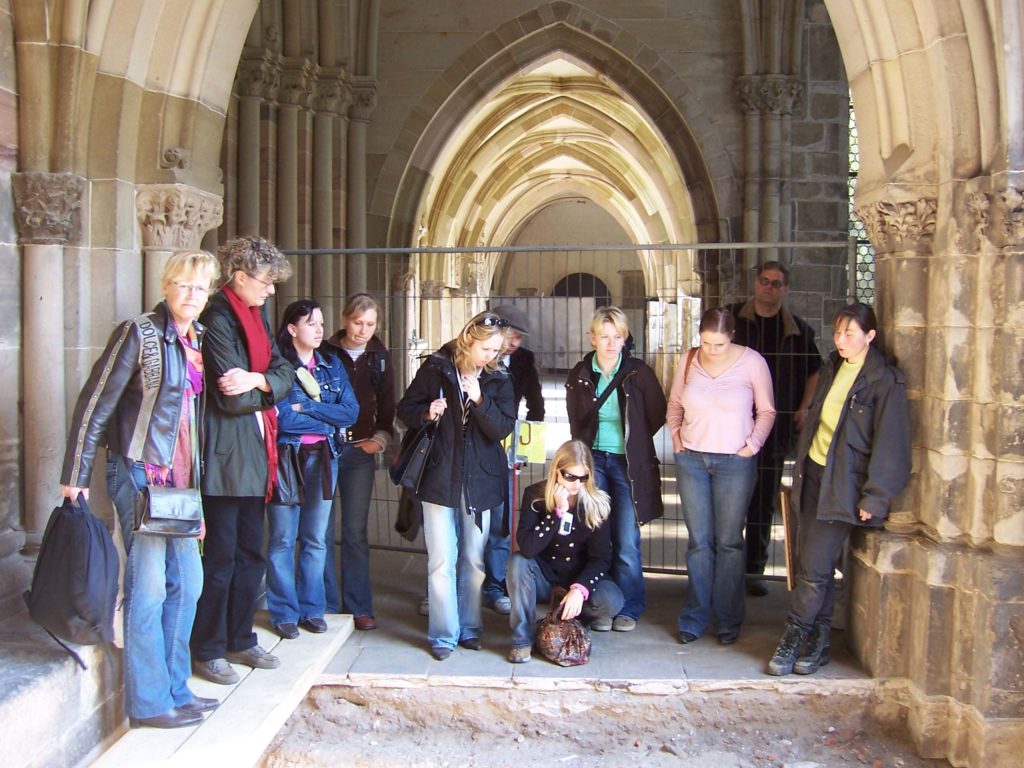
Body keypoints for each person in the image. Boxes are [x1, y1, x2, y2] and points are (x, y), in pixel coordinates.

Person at [60, 250, 221, 728]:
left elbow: (191, 424)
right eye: (184, 285)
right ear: (167, 285)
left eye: (200, 288)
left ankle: (175, 687)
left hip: (182, 484)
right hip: (139, 474)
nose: (192, 295)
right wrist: (75, 475)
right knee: (149, 588)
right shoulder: (139, 333)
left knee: (188, 585)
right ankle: (150, 702)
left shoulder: (198, 340)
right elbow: (95, 403)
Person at [767, 302, 910, 676]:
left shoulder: (883, 380)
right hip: (813, 474)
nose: (841, 339)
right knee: (816, 565)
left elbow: (891, 443)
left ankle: (793, 636)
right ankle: (819, 643)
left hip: (844, 484)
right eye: (837, 332)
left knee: (813, 567)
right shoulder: (833, 367)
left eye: (849, 333)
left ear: (870, 336)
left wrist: (876, 495)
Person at [190, 236, 295, 685]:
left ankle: (240, 635)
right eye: (267, 282)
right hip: (226, 454)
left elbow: (286, 371)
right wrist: (266, 385)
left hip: (254, 453)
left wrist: (257, 378)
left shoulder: (255, 314)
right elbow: (229, 400)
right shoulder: (218, 316)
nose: (271, 290)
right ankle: (208, 648)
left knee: (251, 553)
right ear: (239, 276)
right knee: (221, 559)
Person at [395, 311, 516, 660]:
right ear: (468, 339)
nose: (491, 356)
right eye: (486, 348)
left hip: (481, 480)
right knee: (441, 559)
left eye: (496, 350)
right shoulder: (436, 368)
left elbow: (502, 429)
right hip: (438, 475)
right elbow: (406, 408)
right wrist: (426, 412)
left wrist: (480, 401)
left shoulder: (499, 378)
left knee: (474, 560)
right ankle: (444, 634)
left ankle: (471, 627)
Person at [668, 307, 776, 645]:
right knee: (699, 542)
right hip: (692, 460)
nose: (711, 350)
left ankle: (728, 619)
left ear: (732, 338)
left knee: (729, 542)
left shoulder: (752, 362)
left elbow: (767, 410)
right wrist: (676, 438)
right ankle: (696, 614)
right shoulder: (688, 361)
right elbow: (674, 404)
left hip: (735, 462)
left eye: (718, 344)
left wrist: (752, 446)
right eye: (705, 343)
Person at [565, 306, 666, 632]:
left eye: (617, 337)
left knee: (626, 538)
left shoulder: (638, 373)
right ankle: (601, 604)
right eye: (604, 337)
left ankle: (631, 606)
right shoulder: (581, 374)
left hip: (626, 464)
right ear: (592, 338)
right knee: (597, 534)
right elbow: (575, 421)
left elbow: (656, 414)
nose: (611, 343)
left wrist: (633, 444)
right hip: (593, 464)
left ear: (625, 338)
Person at [266, 299, 359, 640]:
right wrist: (325, 416)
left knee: (315, 539)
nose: (320, 330)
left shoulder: (332, 365)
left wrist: (305, 406)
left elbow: (350, 412)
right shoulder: (277, 368)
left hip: (324, 458)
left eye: (321, 323)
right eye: (311, 324)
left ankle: (312, 609)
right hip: (287, 458)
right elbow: (281, 418)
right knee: (281, 538)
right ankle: (283, 612)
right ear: (292, 328)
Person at [728, 261, 822, 596]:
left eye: (777, 283)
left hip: (774, 429)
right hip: (731, 426)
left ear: (786, 289)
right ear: (755, 283)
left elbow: (815, 370)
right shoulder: (731, 320)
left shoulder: (797, 329)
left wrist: (805, 405)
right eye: (765, 281)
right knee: (728, 500)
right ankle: (725, 571)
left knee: (762, 500)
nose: (770, 288)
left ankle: (753, 569)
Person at [506, 440, 624, 663]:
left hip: (577, 576)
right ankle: (523, 638)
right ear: (557, 471)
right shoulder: (536, 496)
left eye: (583, 478)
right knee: (517, 562)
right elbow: (528, 547)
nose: (576, 484)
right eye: (570, 476)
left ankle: (573, 615)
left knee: (612, 600)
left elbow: (600, 559)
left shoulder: (596, 503)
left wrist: (580, 589)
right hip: (545, 577)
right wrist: (556, 513)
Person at [323, 293, 395, 631]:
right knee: (318, 530)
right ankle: (321, 603)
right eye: (357, 322)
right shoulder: (325, 352)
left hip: (358, 451)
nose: (362, 330)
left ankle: (358, 606)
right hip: (322, 448)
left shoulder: (380, 357)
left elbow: (389, 403)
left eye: (369, 324)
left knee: (354, 530)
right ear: (343, 319)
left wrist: (379, 439)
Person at [479, 303, 546, 617]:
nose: (516, 342)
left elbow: (536, 403)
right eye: (512, 335)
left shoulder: (523, 360)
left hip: (505, 444)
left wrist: (527, 447)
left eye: (520, 337)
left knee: (502, 522)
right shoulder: (476, 354)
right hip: (471, 445)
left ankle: (494, 586)